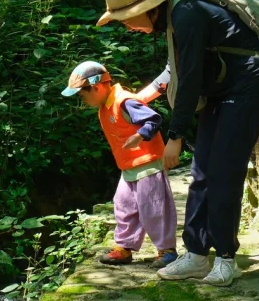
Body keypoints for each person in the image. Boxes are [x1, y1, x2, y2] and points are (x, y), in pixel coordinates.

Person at [96, 0, 259, 287]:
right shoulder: (174, 20)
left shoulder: (186, 13)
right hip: (222, 90)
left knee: (223, 173)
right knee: (202, 170)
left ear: (146, 8)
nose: (127, 26)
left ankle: (226, 260)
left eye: (127, 18)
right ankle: (195, 254)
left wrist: (175, 136)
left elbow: (189, 78)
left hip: (247, 86)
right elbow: (174, 70)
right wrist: (142, 96)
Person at [61, 60, 179, 268]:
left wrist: (139, 136)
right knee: (123, 205)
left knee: (154, 208)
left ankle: (167, 250)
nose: (82, 99)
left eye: (82, 94)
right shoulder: (105, 106)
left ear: (96, 87)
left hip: (148, 164)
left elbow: (153, 119)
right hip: (128, 167)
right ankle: (125, 248)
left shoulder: (124, 101)